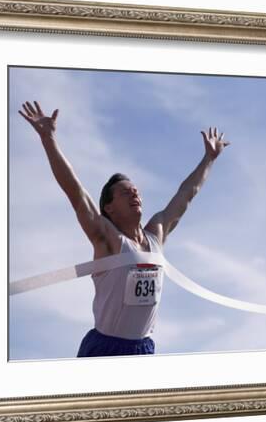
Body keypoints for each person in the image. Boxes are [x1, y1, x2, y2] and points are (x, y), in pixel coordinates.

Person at [19, 101, 230, 357]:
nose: (135, 194)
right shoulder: (107, 239)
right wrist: (48, 139)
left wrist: (209, 158)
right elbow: (75, 192)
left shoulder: (156, 234)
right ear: (109, 207)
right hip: (104, 347)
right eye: (125, 192)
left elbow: (187, 194)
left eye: (136, 191)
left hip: (143, 348)